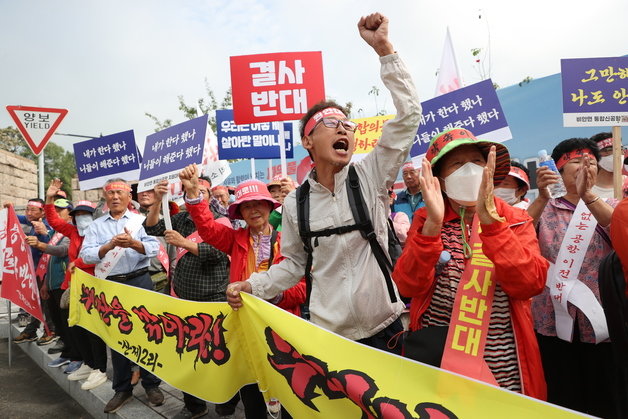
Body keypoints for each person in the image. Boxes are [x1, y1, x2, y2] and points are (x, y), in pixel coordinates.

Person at [225, 13, 421, 352]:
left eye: (348, 124)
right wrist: (251, 286)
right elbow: (293, 265)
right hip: (330, 339)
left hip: (385, 329)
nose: (344, 128)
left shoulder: (371, 175)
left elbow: (409, 116)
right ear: (308, 140)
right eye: (331, 122)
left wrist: (384, 50)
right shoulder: (293, 204)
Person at [392, 128, 547, 399]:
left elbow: (530, 284)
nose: (470, 170)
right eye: (457, 164)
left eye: (476, 161)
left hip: (504, 366)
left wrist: (492, 226)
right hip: (442, 363)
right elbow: (408, 285)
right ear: (438, 179)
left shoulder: (513, 218)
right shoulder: (425, 219)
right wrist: (432, 226)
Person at [181, 168, 305, 419]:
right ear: (240, 213)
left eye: (259, 203)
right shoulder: (234, 239)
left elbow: (303, 289)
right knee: (252, 394)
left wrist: (275, 296)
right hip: (246, 331)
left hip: (283, 329)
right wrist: (194, 192)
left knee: (291, 392)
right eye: (247, 206)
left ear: (270, 208)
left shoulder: (289, 242)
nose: (254, 210)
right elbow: (206, 228)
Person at [527, 138, 620, 417]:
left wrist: (588, 196)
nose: (585, 166)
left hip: (603, 321)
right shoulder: (544, 207)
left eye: (591, 161)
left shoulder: (611, 203)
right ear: (558, 169)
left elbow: (619, 230)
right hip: (552, 320)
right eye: (577, 161)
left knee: (607, 394)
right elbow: (515, 238)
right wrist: (542, 196)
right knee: (563, 395)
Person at [144, 178, 236, 419]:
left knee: (218, 352)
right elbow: (152, 228)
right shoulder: (182, 219)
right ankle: (194, 405)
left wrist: (184, 243)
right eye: (190, 191)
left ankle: (227, 398)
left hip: (214, 298)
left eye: (201, 191)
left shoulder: (221, 220)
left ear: (208, 196)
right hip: (183, 298)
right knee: (186, 353)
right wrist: (157, 201)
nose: (195, 194)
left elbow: (219, 253)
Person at [79, 178, 164, 413]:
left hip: (139, 280)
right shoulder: (96, 226)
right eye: (111, 193)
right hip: (112, 286)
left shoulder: (140, 221)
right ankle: (122, 388)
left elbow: (155, 248)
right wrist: (108, 247)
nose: (115, 197)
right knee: (117, 338)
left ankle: (152, 384)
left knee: (148, 334)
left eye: (120, 193)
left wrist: (134, 244)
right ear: (105, 197)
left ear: (129, 197)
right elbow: (86, 255)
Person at [43, 179, 108, 390]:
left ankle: (100, 369)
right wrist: (50, 198)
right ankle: (88, 364)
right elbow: (53, 221)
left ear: (94, 216)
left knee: (92, 330)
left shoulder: (100, 232)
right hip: (70, 288)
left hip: (92, 288)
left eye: (84, 214)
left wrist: (77, 262)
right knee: (74, 327)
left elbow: (99, 256)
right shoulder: (72, 232)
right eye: (77, 215)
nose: (81, 219)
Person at [590, 132, 628, 199]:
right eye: (609, 150)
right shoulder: (585, 189)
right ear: (594, 155)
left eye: (621, 149)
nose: (617, 154)